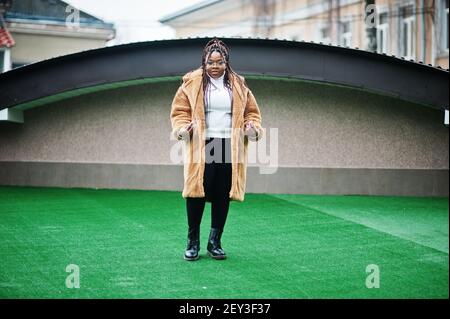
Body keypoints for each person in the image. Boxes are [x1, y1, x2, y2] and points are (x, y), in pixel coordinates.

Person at [170, 38, 264, 261]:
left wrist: (252, 126)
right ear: (203, 62)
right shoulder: (191, 84)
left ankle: (215, 242)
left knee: (223, 192)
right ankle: (193, 242)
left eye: (219, 62)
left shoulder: (239, 86)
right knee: (197, 191)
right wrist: (183, 128)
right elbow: (180, 112)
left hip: (229, 145)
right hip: (202, 144)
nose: (214, 66)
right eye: (210, 62)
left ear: (226, 62)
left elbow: (252, 113)